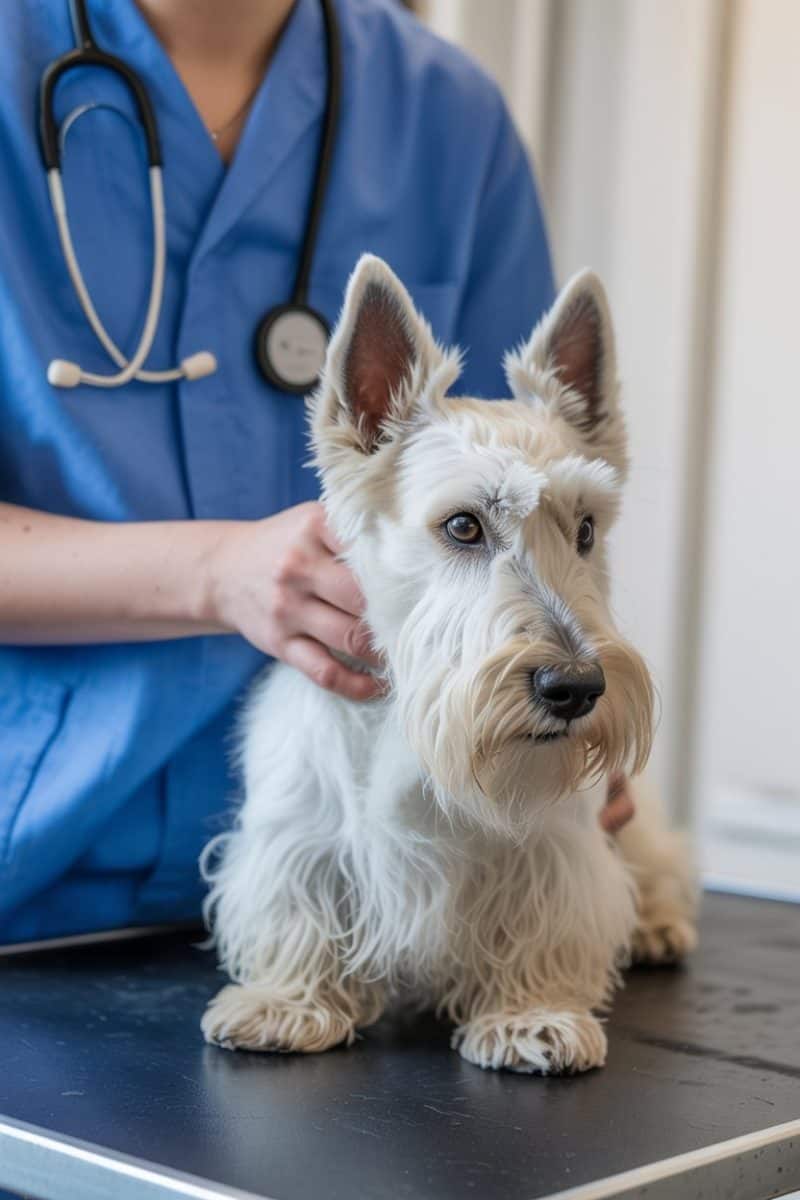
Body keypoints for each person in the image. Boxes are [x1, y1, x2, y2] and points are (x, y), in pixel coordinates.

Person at [0, 0, 627, 946]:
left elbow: (540, 492)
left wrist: (553, 699)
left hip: (398, 895)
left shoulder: (444, 112)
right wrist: (218, 573)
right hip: (39, 878)